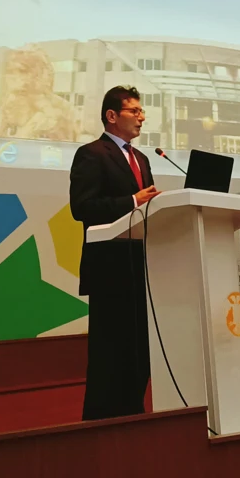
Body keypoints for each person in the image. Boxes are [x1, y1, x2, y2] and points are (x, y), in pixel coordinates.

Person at [70, 85, 161, 420]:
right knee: (110, 353)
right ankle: (101, 422)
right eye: (134, 111)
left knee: (139, 351)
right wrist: (133, 200)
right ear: (111, 115)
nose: (141, 117)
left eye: (141, 111)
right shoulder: (92, 153)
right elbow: (82, 207)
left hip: (140, 268)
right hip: (109, 269)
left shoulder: (143, 159)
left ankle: (133, 414)